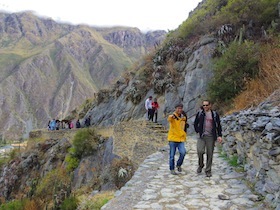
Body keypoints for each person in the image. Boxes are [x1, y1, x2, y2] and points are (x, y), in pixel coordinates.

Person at [194, 100, 223, 177]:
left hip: (210, 136)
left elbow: (218, 125)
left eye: (207, 105)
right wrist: (197, 131)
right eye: (204, 105)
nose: (205, 107)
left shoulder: (214, 114)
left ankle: (208, 170)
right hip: (201, 136)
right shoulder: (200, 113)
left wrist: (219, 135)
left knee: (210, 153)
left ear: (210, 105)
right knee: (200, 151)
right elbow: (195, 123)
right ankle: (201, 165)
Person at [167, 103, 187, 175]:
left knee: (183, 152)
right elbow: (169, 118)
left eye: (181, 108)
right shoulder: (173, 117)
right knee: (172, 155)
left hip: (180, 139)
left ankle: (178, 164)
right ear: (175, 109)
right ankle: (172, 169)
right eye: (178, 108)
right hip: (173, 139)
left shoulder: (183, 118)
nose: (179, 110)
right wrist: (172, 116)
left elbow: (183, 128)